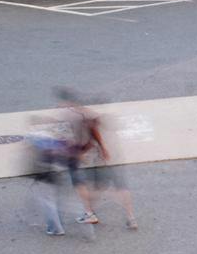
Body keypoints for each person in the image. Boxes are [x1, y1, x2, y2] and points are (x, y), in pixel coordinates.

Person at [58, 89, 137, 230]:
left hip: (102, 159)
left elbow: (93, 139)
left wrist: (80, 152)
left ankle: (90, 213)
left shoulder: (87, 118)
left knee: (95, 186)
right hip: (116, 156)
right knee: (120, 186)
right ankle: (131, 218)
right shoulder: (105, 116)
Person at [25, 118, 72, 236]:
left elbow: (35, 159)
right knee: (53, 201)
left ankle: (56, 228)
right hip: (56, 173)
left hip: (46, 175)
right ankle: (53, 226)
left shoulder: (35, 139)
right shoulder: (52, 138)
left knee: (49, 202)